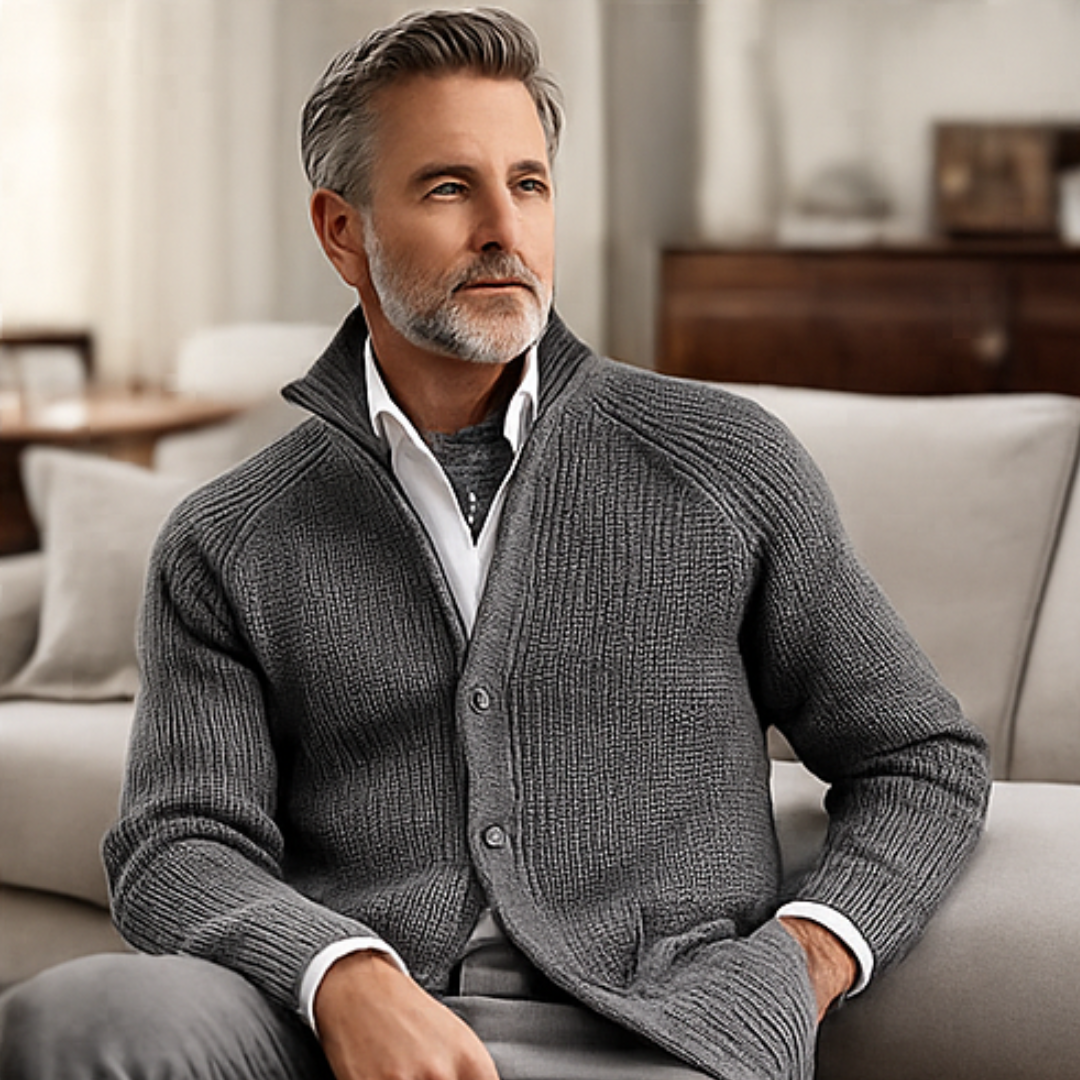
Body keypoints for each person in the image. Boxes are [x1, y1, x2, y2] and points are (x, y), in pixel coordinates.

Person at [0, 8, 991, 1080]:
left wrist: (800, 964)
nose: (504, 230)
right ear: (342, 232)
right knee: (80, 1020)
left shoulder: (725, 462)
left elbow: (919, 758)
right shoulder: (229, 536)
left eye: (528, 184)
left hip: (653, 1029)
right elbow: (175, 846)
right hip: (335, 1030)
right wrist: (340, 974)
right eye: (447, 186)